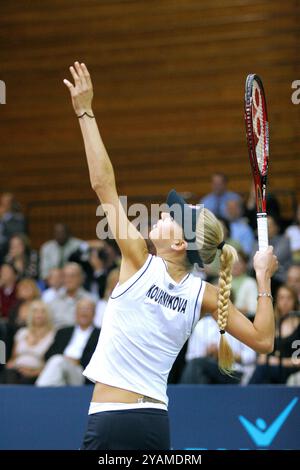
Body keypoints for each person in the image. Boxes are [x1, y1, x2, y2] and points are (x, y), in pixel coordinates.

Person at [64, 61, 277, 451]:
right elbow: (264, 340)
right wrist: (263, 280)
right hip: (155, 425)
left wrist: (85, 111)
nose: (162, 214)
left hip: (110, 423)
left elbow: (102, 184)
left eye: (171, 217)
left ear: (180, 245)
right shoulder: (203, 295)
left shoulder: (136, 262)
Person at [36, 298, 100, 386]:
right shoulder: (63, 332)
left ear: (94, 313)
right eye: (81, 309)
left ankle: (38, 392)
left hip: (81, 373)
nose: (83, 313)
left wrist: (76, 361)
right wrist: (65, 359)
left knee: (58, 361)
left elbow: (99, 360)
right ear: (75, 313)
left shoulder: (100, 334)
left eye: (87, 309)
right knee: (57, 367)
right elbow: (49, 355)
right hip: (60, 369)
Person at [180, 314, 256, 385]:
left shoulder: (241, 322)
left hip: (234, 373)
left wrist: (226, 355)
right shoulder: (201, 325)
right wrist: (207, 354)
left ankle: (184, 397)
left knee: (198, 367)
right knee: (197, 369)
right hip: (209, 369)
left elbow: (251, 356)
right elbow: (191, 358)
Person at [249, 285, 300, 384]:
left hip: (292, 370)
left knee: (263, 370)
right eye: (281, 298)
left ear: (295, 300)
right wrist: (263, 357)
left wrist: (278, 361)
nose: (285, 302)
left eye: (289, 298)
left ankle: (246, 395)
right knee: (263, 371)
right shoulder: (272, 323)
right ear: (277, 300)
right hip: (270, 368)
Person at [5, 300, 54, 384]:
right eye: (35, 311)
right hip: (16, 369)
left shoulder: (53, 335)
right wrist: (11, 365)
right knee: (9, 375)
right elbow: (14, 357)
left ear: (48, 315)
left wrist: (33, 372)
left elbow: (50, 361)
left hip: (37, 372)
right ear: (31, 314)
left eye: (43, 311)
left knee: (25, 380)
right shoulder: (22, 332)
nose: (39, 314)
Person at [49, 262, 94, 329]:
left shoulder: (90, 300)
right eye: (65, 276)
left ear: (81, 278)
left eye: (72, 276)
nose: (68, 280)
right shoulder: (53, 301)